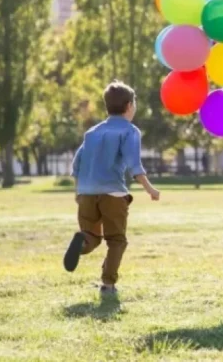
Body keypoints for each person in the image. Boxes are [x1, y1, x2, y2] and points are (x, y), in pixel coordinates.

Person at [63, 80, 160, 298]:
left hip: (86, 193)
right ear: (129, 106)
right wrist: (150, 189)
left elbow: (76, 165)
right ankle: (108, 284)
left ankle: (82, 243)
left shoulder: (92, 132)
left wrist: (78, 193)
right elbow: (135, 165)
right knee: (116, 240)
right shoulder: (130, 131)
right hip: (113, 194)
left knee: (92, 236)